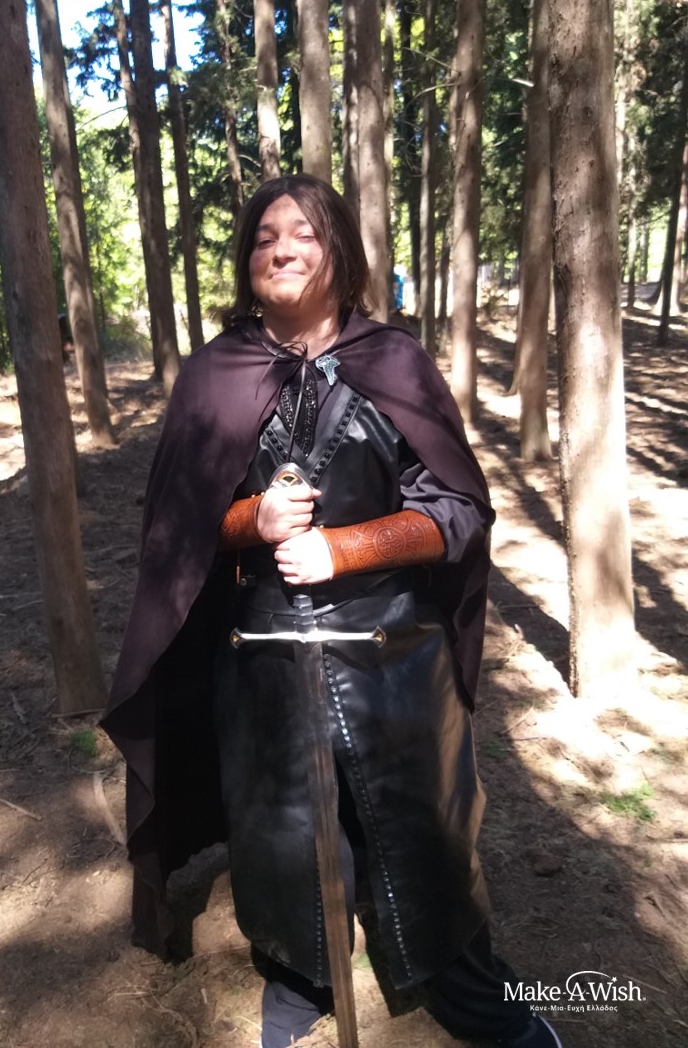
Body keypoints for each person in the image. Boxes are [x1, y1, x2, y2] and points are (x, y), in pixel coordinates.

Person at [100, 175, 562, 1048]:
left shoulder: (396, 362)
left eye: (304, 233)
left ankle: (469, 988)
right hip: (262, 657)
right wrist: (253, 519)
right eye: (264, 235)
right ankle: (300, 976)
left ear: (340, 253)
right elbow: (175, 527)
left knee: (422, 840)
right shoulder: (214, 374)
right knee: (280, 843)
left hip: (394, 656)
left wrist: (345, 547)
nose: (281, 247)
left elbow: (459, 510)